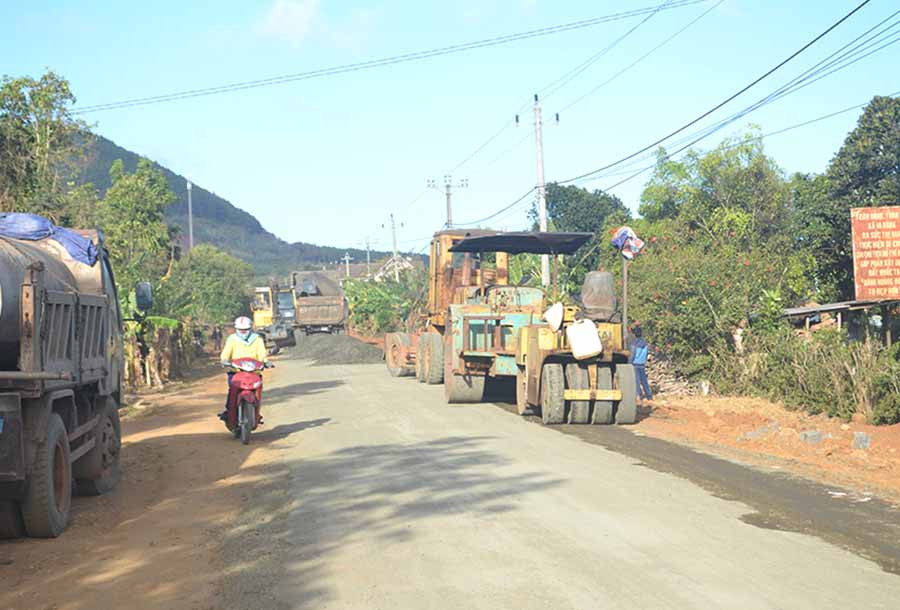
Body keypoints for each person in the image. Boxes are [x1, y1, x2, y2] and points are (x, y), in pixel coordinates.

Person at [218, 316, 268, 422]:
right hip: (236, 372)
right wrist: (224, 360)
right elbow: (226, 353)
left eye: (246, 330)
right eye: (241, 330)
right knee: (232, 391)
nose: (243, 332)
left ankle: (256, 413)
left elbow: (262, 354)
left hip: (254, 372)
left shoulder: (257, 339)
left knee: (257, 391)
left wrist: (265, 361)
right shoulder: (232, 339)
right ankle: (229, 411)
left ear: (250, 328)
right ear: (236, 329)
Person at [629, 326, 653, 406]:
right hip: (642, 364)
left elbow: (632, 355)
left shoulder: (634, 344)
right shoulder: (645, 343)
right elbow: (646, 354)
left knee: (637, 382)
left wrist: (629, 363)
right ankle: (649, 397)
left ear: (634, 334)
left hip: (635, 364)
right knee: (644, 381)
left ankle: (638, 397)